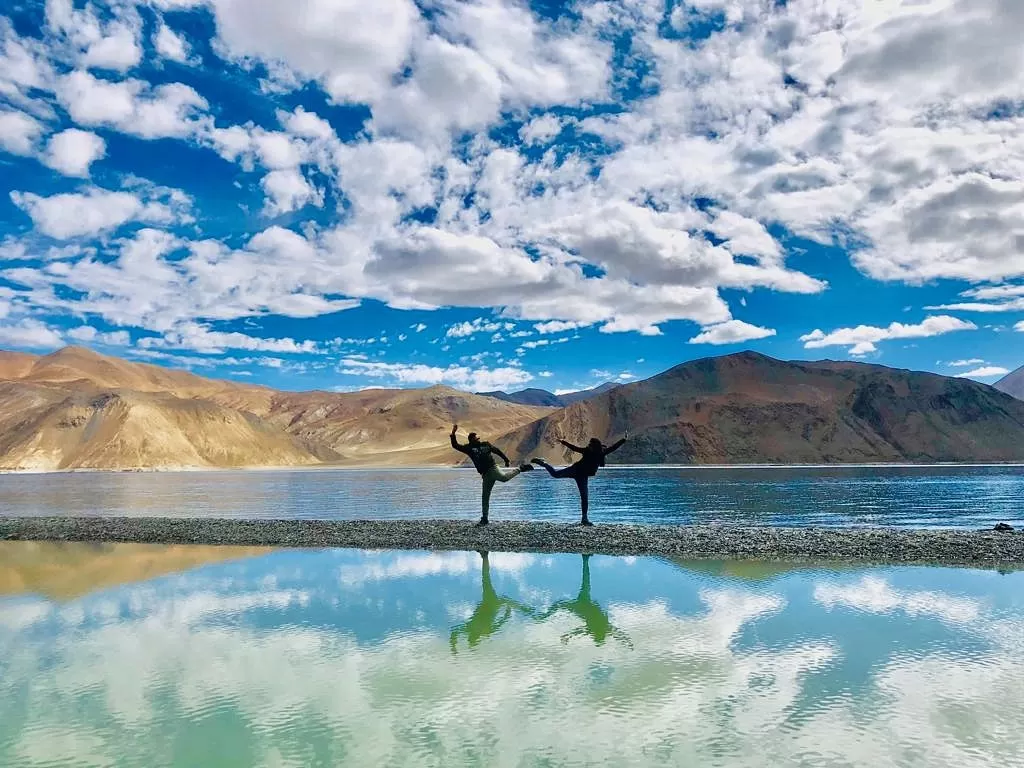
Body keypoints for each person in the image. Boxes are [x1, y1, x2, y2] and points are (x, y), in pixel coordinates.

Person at [531, 432, 627, 526]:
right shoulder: (586, 450)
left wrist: (624, 439)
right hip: (575, 470)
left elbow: (614, 447)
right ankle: (543, 463)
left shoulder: (601, 453)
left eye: (590, 444)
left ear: (595, 446)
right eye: (589, 444)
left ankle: (584, 519)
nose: (589, 445)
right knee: (555, 474)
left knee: (584, 497)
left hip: (583, 476)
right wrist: (563, 442)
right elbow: (574, 448)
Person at [450, 551, 537, 652]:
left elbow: (454, 631)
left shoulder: (472, 629)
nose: (473, 634)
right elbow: (498, 625)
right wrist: (506, 615)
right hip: (491, 604)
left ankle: (485, 556)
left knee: (487, 580)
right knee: (487, 580)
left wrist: (453, 646)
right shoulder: (481, 630)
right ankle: (485, 556)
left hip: (489, 603)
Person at [540, 554, 632, 648]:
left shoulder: (597, 629)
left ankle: (585, 559)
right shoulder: (602, 629)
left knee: (584, 583)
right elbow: (617, 634)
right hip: (583, 607)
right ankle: (585, 559)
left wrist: (568, 636)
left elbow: (579, 631)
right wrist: (627, 642)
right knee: (584, 584)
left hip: (582, 607)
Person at [451, 424, 532, 526]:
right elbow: (455, 445)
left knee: (504, 478)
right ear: (471, 440)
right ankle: (484, 518)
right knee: (485, 497)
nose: (478, 440)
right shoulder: (469, 448)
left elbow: (497, 451)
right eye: (476, 439)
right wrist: (453, 433)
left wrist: (506, 459)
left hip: (493, 468)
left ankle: (520, 468)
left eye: (478, 438)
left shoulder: (485, 445)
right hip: (485, 475)